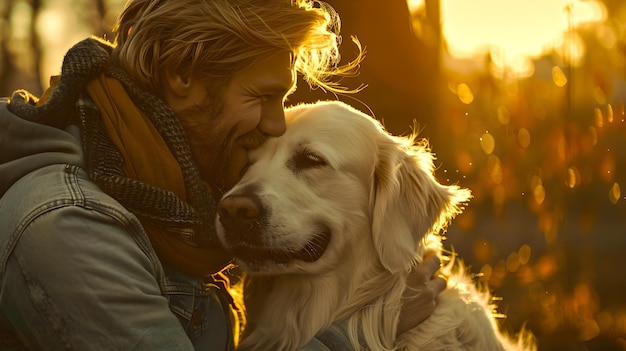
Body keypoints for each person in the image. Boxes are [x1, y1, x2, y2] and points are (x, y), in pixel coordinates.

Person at [0, 0, 446, 349]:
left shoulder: (171, 201)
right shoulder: (68, 225)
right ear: (181, 75)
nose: (276, 123)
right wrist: (354, 337)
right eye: (263, 96)